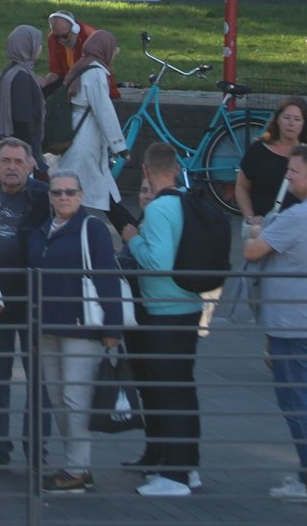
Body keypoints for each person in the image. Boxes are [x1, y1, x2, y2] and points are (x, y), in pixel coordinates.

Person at [242, 145, 307, 500]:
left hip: (293, 325)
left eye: (293, 171)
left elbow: (252, 251)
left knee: (298, 402)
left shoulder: (299, 217)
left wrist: (256, 231)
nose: (287, 177)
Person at [25, 168, 127, 494]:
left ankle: (77, 469)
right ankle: (73, 464)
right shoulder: (40, 232)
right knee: (58, 398)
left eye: (70, 192)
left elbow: (107, 275)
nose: (64, 197)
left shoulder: (92, 228)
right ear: (50, 197)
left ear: (81, 196)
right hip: (46, 327)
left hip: (84, 328)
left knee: (75, 399)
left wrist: (113, 328)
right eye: (57, 192)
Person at [118, 144, 205, 497]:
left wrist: (132, 238)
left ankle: (175, 476)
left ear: (146, 170)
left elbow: (157, 262)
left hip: (164, 312)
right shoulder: (189, 202)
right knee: (183, 390)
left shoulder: (159, 210)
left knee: (170, 392)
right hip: (189, 306)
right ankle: (188, 467)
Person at [0, 137, 52, 465]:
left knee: (39, 382)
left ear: (32, 166)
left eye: (19, 162)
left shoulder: (43, 198)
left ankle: (36, 451)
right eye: (5, 161)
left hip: (34, 304)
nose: (11, 167)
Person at [57, 29, 124, 217]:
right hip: (85, 139)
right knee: (73, 193)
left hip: (76, 132)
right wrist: (119, 146)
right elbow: (104, 111)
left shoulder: (81, 66)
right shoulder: (95, 73)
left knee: (99, 189)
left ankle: (127, 230)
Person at [235, 96, 307, 222]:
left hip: (296, 227)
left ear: (304, 123)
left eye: (297, 119)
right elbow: (241, 186)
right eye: (286, 118)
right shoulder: (258, 149)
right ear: (277, 119)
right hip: (262, 227)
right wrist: (250, 217)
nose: (291, 124)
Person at [0, 25, 46, 160]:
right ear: (28, 46)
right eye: (38, 43)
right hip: (20, 154)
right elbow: (22, 120)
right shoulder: (21, 77)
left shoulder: (13, 72)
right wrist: (29, 154)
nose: (41, 47)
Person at [44, 11, 119, 98]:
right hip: (68, 81)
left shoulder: (90, 37)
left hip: (92, 83)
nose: (61, 40)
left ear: (75, 29)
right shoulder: (52, 38)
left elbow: (97, 70)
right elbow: (55, 71)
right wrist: (44, 81)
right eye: (57, 37)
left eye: (64, 36)